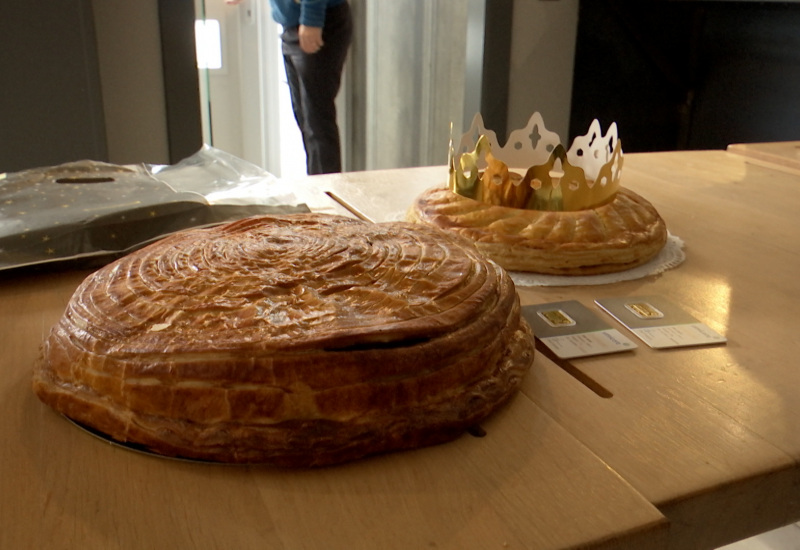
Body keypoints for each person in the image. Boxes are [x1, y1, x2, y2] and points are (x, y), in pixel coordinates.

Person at [230, 0, 353, 175]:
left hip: (319, 22)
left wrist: (311, 19)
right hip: (294, 25)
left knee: (316, 122)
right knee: (304, 117)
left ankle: (326, 195)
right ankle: (318, 189)